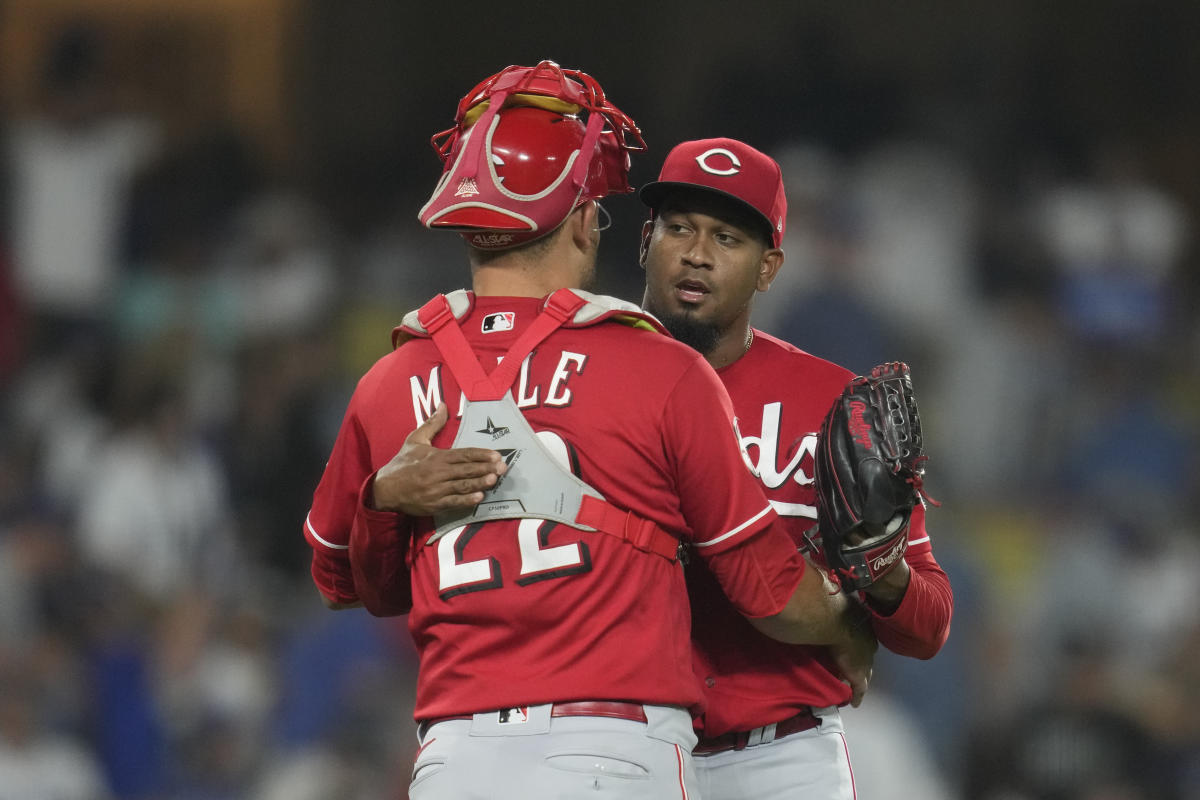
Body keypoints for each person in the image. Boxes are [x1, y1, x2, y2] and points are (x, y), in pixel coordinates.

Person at [302, 63, 875, 800]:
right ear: (580, 220)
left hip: (453, 763)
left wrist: (385, 495)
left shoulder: (388, 383)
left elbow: (341, 581)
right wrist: (848, 626)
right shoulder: (658, 369)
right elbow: (766, 591)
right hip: (609, 755)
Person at [637, 138, 953, 799]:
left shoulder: (835, 404)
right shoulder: (585, 383)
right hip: (622, 748)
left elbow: (930, 625)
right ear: (646, 240)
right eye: (679, 228)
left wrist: (883, 571)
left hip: (779, 761)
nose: (697, 253)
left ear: (768, 268)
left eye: (727, 238)